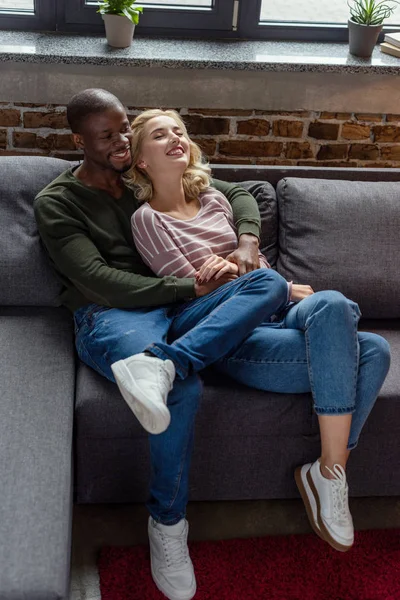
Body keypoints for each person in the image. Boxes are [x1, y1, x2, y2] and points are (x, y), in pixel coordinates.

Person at [34, 88, 293, 600]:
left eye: (124, 128)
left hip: (177, 308)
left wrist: (246, 240)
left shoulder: (141, 173)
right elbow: (98, 280)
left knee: (267, 287)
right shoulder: (57, 202)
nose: (121, 142)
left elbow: (239, 192)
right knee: (181, 391)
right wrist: (190, 288)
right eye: (106, 136)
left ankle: (176, 359)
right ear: (77, 140)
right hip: (112, 313)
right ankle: (167, 525)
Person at [126, 108, 391, 557]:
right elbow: (193, 287)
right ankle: (171, 363)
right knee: (342, 339)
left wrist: (248, 274)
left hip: (271, 315)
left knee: (352, 323)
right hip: (216, 332)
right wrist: (251, 274)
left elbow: (256, 270)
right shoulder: (147, 220)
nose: (174, 137)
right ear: (141, 162)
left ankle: (328, 470)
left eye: (179, 131)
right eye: (159, 134)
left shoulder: (215, 201)